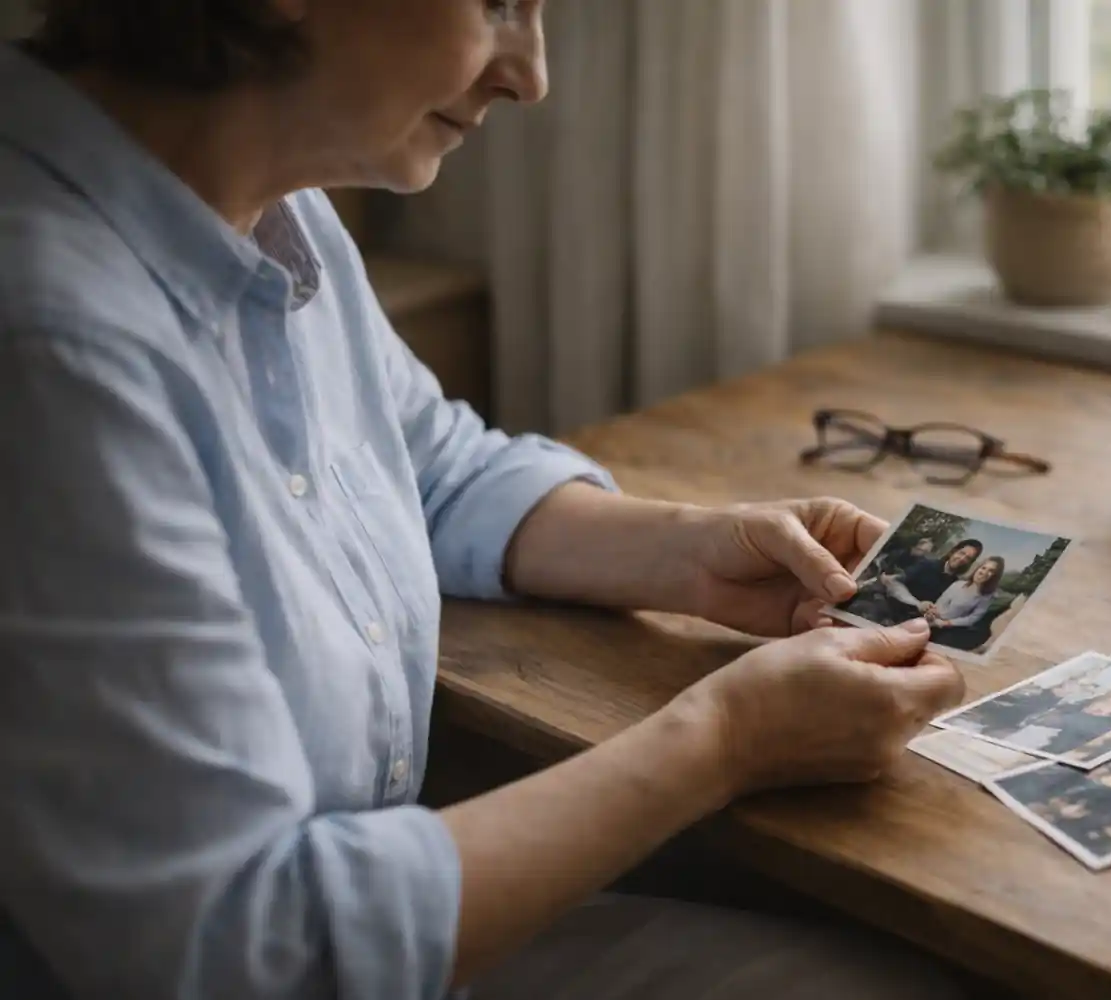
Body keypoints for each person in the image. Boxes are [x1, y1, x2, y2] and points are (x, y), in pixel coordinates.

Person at [0, 4, 971, 999]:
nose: (531, 76)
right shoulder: (52, 346)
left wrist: (691, 551)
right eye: (500, 4)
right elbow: (249, 951)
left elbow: (432, 466)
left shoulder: (273, 216)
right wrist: (722, 740)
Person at [878, 539, 984, 622]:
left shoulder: (956, 585)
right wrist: (918, 604)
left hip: (916, 622)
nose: (962, 559)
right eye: (961, 553)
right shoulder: (926, 565)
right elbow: (894, 583)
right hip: (891, 611)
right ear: (953, 551)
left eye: (968, 558)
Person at [927, 556, 1004, 630]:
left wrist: (945, 623)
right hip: (931, 619)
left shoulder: (986, 597)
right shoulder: (957, 584)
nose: (984, 572)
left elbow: (972, 619)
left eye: (991, 571)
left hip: (949, 628)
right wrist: (932, 613)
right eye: (983, 568)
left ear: (995, 576)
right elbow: (940, 602)